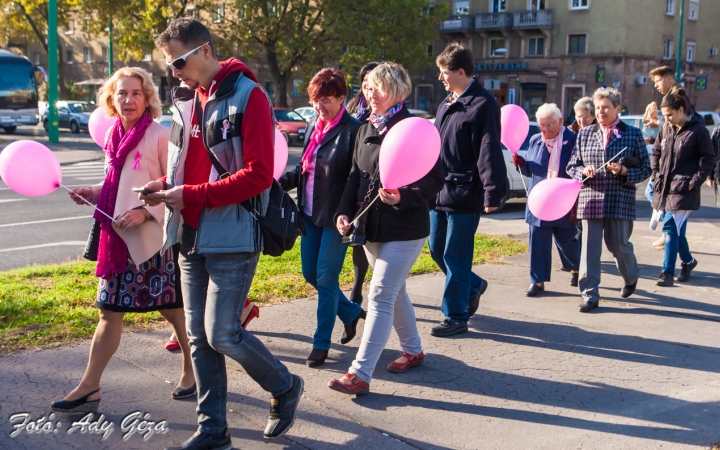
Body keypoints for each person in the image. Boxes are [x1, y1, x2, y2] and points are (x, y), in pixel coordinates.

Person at [144, 18, 303, 449]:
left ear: (205, 51)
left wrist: (190, 193)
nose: (173, 71)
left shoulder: (248, 95)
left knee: (222, 333)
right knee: (197, 336)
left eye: (178, 60)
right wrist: (163, 188)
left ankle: (285, 385)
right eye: (168, 64)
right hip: (188, 230)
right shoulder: (184, 98)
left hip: (233, 232)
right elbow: (184, 161)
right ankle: (213, 428)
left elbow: (258, 175)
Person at [51, 67, 194, 413]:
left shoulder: (160, 135)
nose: (128, 100)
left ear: (147, 99)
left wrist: (143, 213)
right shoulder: (113, 135)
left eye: (135, 93)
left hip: (153, 243)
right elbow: (118, 184)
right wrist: (95, 191)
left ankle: (193, 372)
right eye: (121, 94)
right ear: (111, 100)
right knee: (109, 312)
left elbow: (176, 184)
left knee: (174, 311)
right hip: (117, 242)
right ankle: (89, 387)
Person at [329, 62, 444, 395]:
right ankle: (413, 350)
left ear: (397, 89)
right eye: (366, 87)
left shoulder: (414, 127)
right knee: (395, 293)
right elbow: (355, 176)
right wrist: (343, 212)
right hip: (370, 228)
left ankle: (360, 374)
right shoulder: (366, 127)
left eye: (377, 87)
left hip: (406, 228)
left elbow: (435, 179)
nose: (370, 93)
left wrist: (403, 197)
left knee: (379, 294)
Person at [278, 68, 365, 368]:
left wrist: (346, 212)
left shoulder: (353, 130)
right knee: (311, 274)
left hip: (336, 217)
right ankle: (351, 313)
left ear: (342, 98)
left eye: (327, 100)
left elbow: (356, 178)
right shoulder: (316, 127)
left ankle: (321, 343)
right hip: (309, 214)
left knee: (327, 277)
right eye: (316, 100)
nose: (320, 106)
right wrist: (279, 182)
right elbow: (305, 170)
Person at [428, 43, 506, 337]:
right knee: (436, 249)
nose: (441, 78)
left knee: (455, 256)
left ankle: (456, 316)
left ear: (461, 72)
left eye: (444, 72)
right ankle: (473, 285)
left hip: (465, 191)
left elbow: (489, 150)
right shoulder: (447, 102)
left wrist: (492, 191)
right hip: (438, 190)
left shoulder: (483, 104)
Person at [566, 87, 651, 313]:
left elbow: (646, 169)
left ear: (618, 109)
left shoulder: (632, 134)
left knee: (619, 245)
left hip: (619, 198)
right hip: (591, 198)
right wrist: (584, 171)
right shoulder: (584, 134)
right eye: (598, 107)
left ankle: (631, 277)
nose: (601, 112)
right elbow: (572, 166)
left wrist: (624, 171)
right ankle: (590, 294)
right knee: (590, 248)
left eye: (605, 107)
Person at [512, 103, 580, 296]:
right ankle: (537, 280)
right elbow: (532, 170)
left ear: (559, 121)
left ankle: (576, 268)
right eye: (542, 125)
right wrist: (523, 164)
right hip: (539, 200)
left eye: (549, 125)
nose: (545, 129)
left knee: (566, 239)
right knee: (538, 242)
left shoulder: (572, 139)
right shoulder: (535, 140)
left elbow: (577, 168)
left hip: (562, 198)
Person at [651, 89, 715, 286]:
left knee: (670, 227)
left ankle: (667, 272)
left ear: (681, 110)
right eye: (664, 115)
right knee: (676, 230)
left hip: (684, 190)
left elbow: (708, 159)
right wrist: (655, 174)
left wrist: (693, 182)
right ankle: (688, 261)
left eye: (670, 114)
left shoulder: (698, 131)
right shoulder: (665, 128)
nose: (666, 119)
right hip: (665, 188)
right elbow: (656, 151)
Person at [344, 61, 380, 306]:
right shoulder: (354, 106)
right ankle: (359, 290)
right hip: (351, 172)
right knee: (355, 236)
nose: (369, 90)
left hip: (370, 179)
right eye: (365, 83)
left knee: (366, 237)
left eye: (374, 83)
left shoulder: (382, 114)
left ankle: (358, 290)